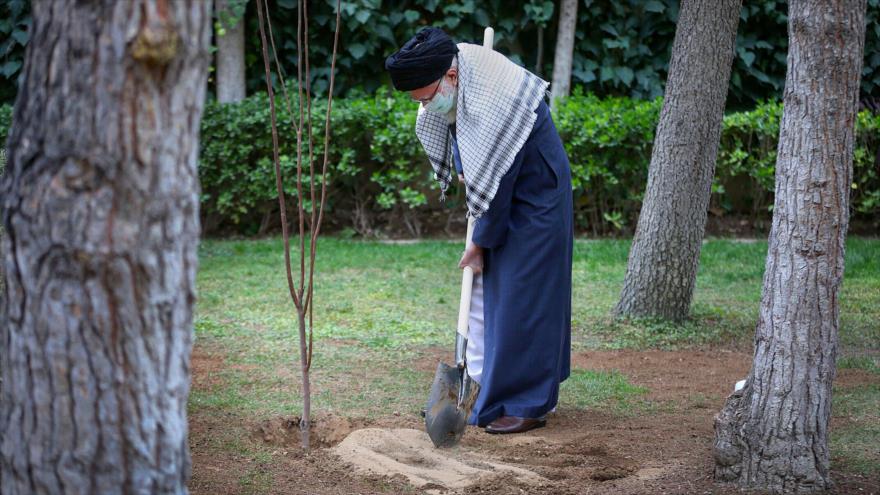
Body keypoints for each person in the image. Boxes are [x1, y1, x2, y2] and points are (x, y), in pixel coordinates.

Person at [385, 27, 573, 434]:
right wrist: (467, 165)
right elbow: (459, 129)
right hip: (510, 185)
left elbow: (499, 177)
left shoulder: (490, 97)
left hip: (536, 193)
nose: (425, 107)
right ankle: (483, 388)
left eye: (425, 97)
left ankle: (526, 403)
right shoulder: (453, 73)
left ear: (450, 78)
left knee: (526, 297)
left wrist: (480, 242)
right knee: (490, 295)